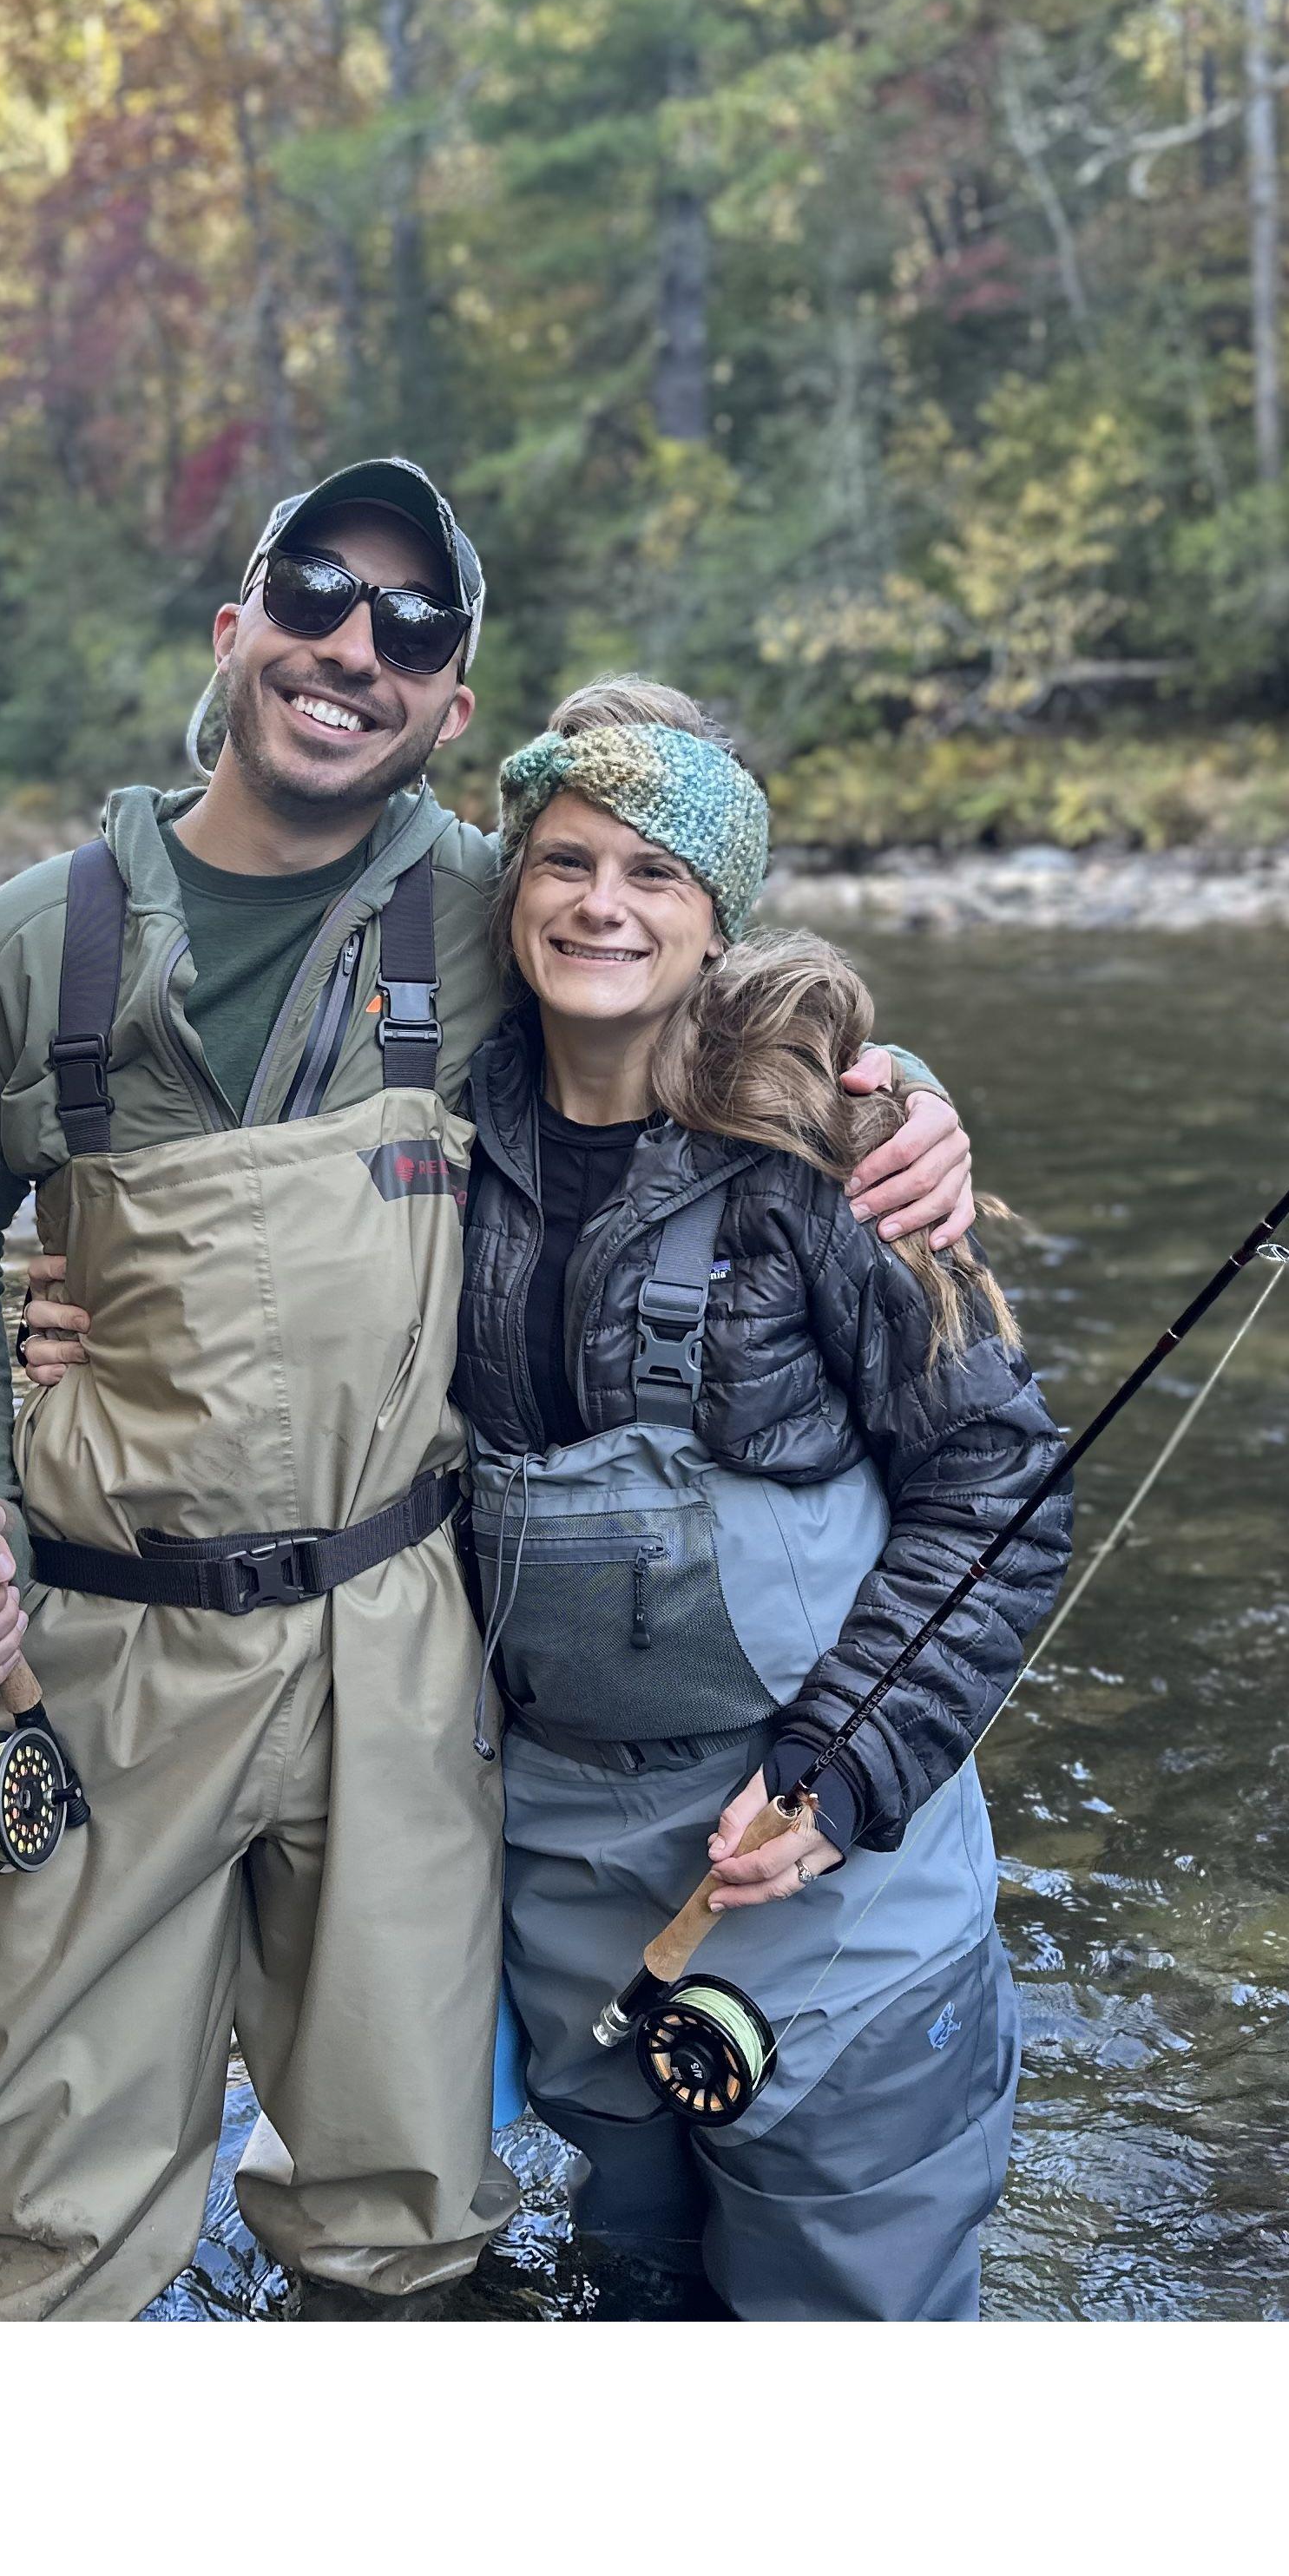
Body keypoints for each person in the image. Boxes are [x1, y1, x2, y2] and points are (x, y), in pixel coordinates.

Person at [0, 458, 982, 2322]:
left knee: (408, 2214)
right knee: (22, 2225)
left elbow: (719, 987)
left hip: (406, 1638)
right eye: (313, 590)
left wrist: (914, 1095)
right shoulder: (10, 955)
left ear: (454, 709)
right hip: (100, 1649)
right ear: (234, 635)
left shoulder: (500, 904)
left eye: (413, 626)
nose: (351, 646)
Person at [456, 684, 1071, 2318]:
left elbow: (999, 1490)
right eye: (567, 862)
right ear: (510, 891)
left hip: (832, 1863)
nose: (602, 904)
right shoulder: (433, 1139)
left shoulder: (840, 1153)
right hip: (568, 1879)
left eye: (655, 874)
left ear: (717, 919)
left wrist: (843, 1767)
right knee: (640, 2290)